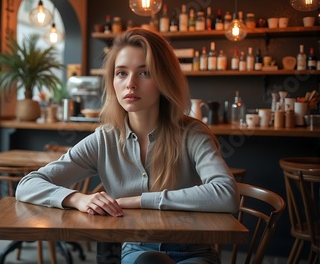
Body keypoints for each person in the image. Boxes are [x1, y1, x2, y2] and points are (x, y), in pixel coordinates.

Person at [15, 28, 239, 264]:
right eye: (121, 73)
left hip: (192, 252)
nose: (130, 84)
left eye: (145, 73)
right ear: (112, 81)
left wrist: (140, 200)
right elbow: (28, 185)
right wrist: (79, 199)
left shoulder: (192, 135)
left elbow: (226, 194)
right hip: (137, 252)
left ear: (164, 80)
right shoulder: (104, 140)